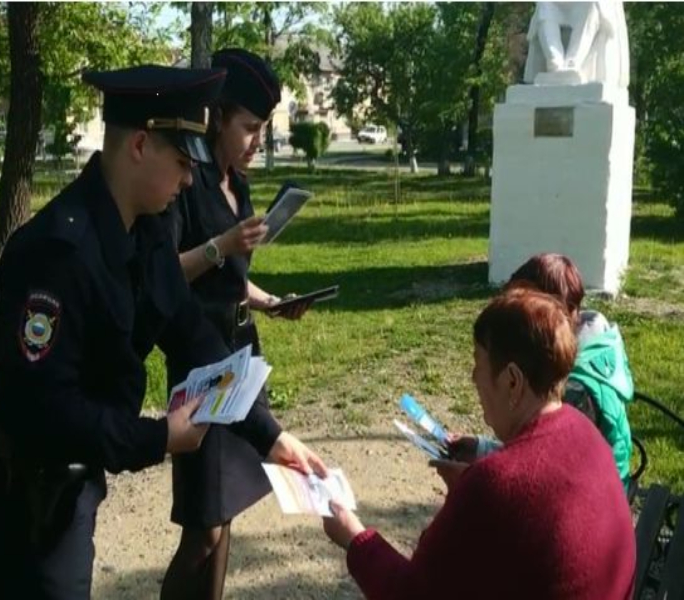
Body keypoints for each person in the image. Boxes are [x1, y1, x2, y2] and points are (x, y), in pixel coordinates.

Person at [0, 63, 326, 600]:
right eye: (179, 162)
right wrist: (160, 439)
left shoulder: (146, 232)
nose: (188, 179)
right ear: (139, 145)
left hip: (69, 481)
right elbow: (50, 409)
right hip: (15, 488)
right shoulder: (55, 253)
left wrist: (272, 436)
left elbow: (193, 336)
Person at [322, 289, 636, 599]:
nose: (473, 378)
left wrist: (354, 537)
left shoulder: (495, 484)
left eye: (478, 364)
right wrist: (475, 498)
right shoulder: (585, 432)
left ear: (512, 380)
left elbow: (410, 592)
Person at [161, 48, 311, 600]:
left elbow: (230, 279)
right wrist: (220, 246)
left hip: (241, 352)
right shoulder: (186, 179)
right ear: (218, 116)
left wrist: (270, 301)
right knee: (203, 526)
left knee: (225, 518)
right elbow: (167, 274)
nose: (256, 141)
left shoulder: (238, 184)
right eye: (248, 127)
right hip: (201, 363)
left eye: (263, 129)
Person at [446, 253, 635, 489]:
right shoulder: (595, 346)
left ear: (549, 313)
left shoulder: (575, 389)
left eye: (524, 305)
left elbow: (541, 477)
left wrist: (471, 484)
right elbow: (539, 454)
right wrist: (482, 449)